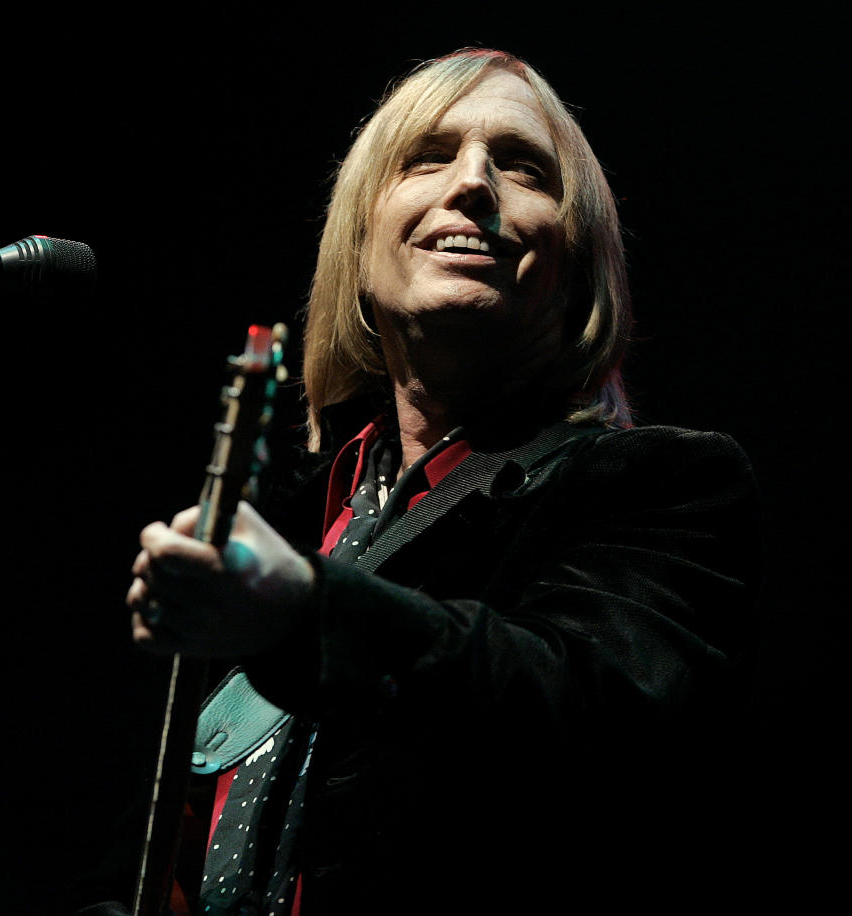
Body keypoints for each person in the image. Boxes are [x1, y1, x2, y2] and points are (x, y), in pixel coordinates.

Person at [96, 47, 760, 915]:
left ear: (578, 263)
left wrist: (304, 613)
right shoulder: (289, 519)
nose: (474, 185)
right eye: (429, 156)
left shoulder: (661, 483)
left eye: (523, 166)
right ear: (361, 240)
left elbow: (588, 712)